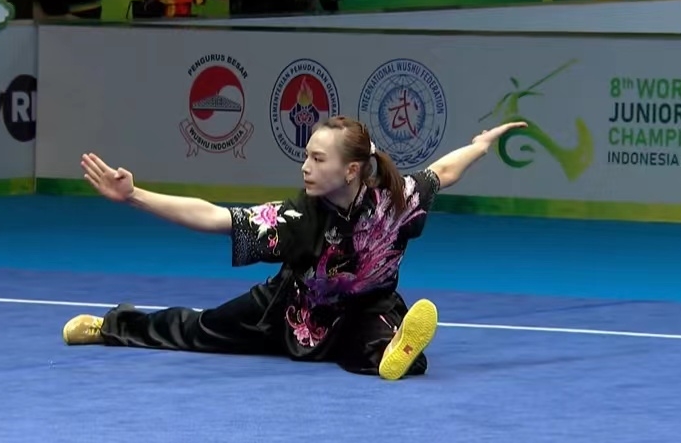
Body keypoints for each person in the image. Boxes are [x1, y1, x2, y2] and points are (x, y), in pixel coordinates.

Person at [64, 116, 527, 380]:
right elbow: (215, 217)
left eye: (318, 159)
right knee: (202, 328)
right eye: (306, 155)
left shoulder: (395, 197)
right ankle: (111, 326)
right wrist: (134, 196)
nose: (305, 166)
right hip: (290, 309)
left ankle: (396, 349)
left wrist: (480, 145)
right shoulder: (298, 217)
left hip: (368, 307)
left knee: (376, 345)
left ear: (351, 170)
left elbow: (443, 172)